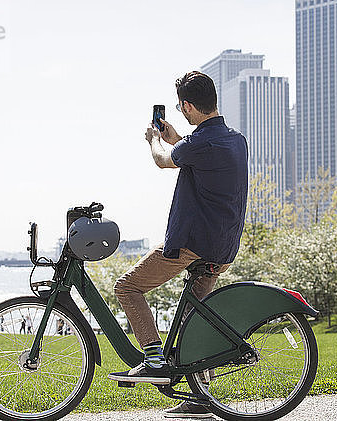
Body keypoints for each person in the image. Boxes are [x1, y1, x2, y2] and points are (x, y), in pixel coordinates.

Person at [109, 71, 248, 418]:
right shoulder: (235, 140)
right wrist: (178, 139)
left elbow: (161, 160)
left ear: (187, 105)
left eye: (180, 106)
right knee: (193, 322)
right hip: (223, 246)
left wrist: (154, 139)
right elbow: (198, 154)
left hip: (192, 244)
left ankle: (153, 358)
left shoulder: (198, 144)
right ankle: (203, 400)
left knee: (126, 287)